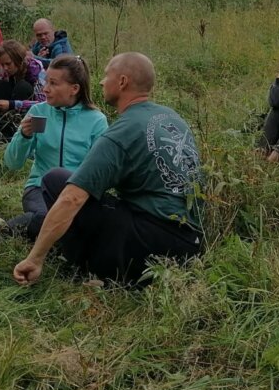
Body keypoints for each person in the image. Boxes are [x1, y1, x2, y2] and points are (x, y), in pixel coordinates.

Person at [13, 52, 205, 287]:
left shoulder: (121, 131)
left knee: (55, 179)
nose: (102, 82)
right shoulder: (171, 117)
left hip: (152, 243)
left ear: (122, 82)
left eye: (106, 75)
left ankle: (92, 270)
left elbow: (72, 198)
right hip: (192, 241)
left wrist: (35, 258)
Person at [3, 55, 109, 240]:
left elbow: (101, 170)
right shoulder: (39, 112)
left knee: (75, 222)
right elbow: (12, 163)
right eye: (46, 82)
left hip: (77, 194)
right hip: (38, 189)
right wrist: (24, 136)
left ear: (74, 89)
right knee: (48, 217)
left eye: (53, 83)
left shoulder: (96, 120)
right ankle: (2, 232)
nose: (45, 89)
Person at [0, 39, 47, 117]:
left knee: (22, 87)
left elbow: (44, 104)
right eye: (2, 65)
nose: (5, 68)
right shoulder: (4, 73)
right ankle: (3, 120)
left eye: (8, 64)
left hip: (32, 115)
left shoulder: (37, 72)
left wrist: (12, 104)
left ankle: (18, 120)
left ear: (18, 60)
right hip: (11, 106)